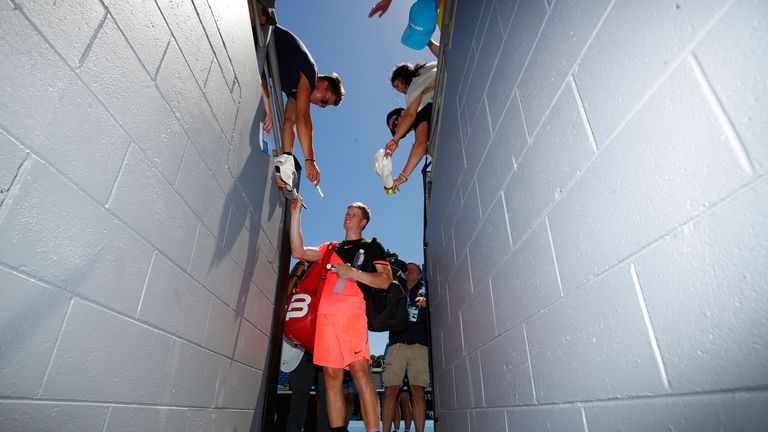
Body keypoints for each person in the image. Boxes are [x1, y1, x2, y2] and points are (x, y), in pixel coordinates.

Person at [290, 196, 393, 432]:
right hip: (326, 320)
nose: (348, 216)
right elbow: (298, 251)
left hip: (352, 316)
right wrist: (296, 214)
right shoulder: (331, 248)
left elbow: (385, 280)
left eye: (354, 214)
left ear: (364, 222)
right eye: (347, 212)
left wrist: (352, 273)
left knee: (360, 374)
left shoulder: (372, 247)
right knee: (331, 379)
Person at [256, 12, 345, 188]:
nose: (320, 105)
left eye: (323, 106)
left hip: (258, 49)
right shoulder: (310, 72)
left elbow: (291, 122)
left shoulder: (295, 93)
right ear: (322, 83)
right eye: (324, 101)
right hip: (259, 23)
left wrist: (286, 160)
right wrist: (310, 160)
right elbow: (304, 117)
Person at [382, 263, 429, 432]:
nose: (409, 271)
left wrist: (427, 300)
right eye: (406, 269)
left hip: (419, 346)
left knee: (418, 390)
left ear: (420, 276)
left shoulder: (427, 291)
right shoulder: (394, 287)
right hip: (397, 345)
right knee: (390, 390)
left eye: (413, 269)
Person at [383, 100, 431, 192]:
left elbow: (421, 145)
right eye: (394, 130)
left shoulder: (419, 112)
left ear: (403, 113)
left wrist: (402, 176)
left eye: (395, 123)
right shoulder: (420, 127)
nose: (397, 129)